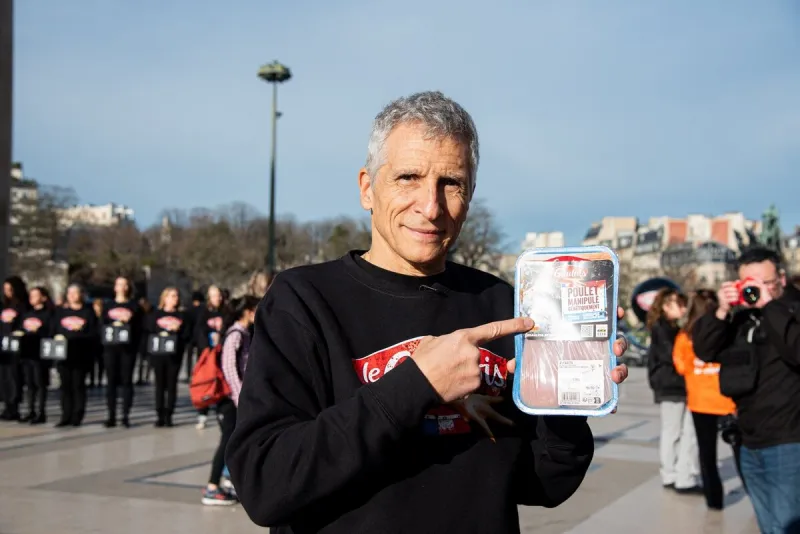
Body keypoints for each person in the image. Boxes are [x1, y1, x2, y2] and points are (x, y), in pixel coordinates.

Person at [225, 91, 630, 533]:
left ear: (469, 196)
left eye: (451, 183)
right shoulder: (303, 299)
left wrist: (565, 406)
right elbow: (265, 484)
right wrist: (417, 384)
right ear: (367, 188)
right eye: (409, 177)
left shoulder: (502, 304)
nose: (431, 206)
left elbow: (542, 484)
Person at [693, 247, 800, 533]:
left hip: (789, 441)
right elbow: (704, 350)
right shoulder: (741, 317)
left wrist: (769, 305)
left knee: (787, 525)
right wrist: (721, 310)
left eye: (764, 283)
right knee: (768, 525)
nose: (755, 290)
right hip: (748, 441)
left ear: (782, 279)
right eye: (748, 284)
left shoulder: (792, 309)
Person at [673, 289, 742, 510]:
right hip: (727, 399)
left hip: (700, 400)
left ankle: (714, 501)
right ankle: (754, 490)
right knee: (740, 451)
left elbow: (681, 366)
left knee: (707, 454)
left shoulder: (684, 336)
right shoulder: (726, 330)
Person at [201, 295, 259, 506]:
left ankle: (229, 480)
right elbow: (229, 369)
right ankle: (212, 487)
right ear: (248, 311)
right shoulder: (235, 334)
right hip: (230, 400)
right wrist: (240, 397)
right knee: (227, 442)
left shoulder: (246, 333)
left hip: (238, 398)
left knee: (236, 441)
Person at [645, 287, 700, 493]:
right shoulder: (662, 328)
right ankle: (671, 473)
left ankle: (676, 473)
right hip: (670, 384)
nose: (684, 309)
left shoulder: (669, 327)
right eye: (680, 304)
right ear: (666, 306)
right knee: (673, 431)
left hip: (674, 384)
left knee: (676, 431)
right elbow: (672, 355)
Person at [53, 284, 98, 427]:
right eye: (70, 293)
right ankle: (65, 415)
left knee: (78, 385)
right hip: (63, 354)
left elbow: (94, 332)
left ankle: (77, 415)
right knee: (65, 386)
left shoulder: (88, 312)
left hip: (80, 354)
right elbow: (54, 329)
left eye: (75, 293)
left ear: (81, 295)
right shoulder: (61, 312)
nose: (72, 296)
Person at [146, 287, 190, 427]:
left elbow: (187, 335)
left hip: (174, 355)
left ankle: (169, 414)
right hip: (159, 354)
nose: (175, 298)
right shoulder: (155, 314)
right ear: (164, 298)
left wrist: (178, 330)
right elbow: (149, 330)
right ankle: (159, 414)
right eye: (172, 296)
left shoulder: (181, 315)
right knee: (159, 385)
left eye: (176, 296)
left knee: (171, 385)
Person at [102, 276, 142, 428]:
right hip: (111, 348)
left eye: (125, 285)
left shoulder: (134, 306)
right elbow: (102, 325)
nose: (122, 287)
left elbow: (140, 328)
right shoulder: (108, 305)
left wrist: (130, 321)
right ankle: (111, 415)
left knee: (127, 381)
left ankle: (125, 415)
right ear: (115, 287)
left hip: (127, 349)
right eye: (119, 284)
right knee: (111, 381)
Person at [19, 286, 55, 424]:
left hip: (40, 353)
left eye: (35, 295)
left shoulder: (49, 314)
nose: (32, 298)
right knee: (29, 383)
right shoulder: (27, 314)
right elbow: (21, 329)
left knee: (40, 383)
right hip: (27, 352)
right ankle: (30, 410)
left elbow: (51, 332)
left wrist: (38, 331)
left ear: (43, 297)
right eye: (31, 295)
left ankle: (41, 412)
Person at [194, 285, 224, 429]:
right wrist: (206, 347)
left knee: (221, 383)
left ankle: (221, 411)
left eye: (219, 295)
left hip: (222, 353)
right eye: (214, 295)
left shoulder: (225, 312)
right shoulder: (203, 313)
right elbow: (199, 331)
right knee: (206, 382)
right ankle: (202, 414)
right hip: (208, 354)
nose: (218, 298)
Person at [0, 276, 29, 421]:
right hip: (3, 344)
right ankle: (7, 405)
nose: (7, 292)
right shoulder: (4, 306)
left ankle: (14, 406)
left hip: (16, 345)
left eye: (10, 289)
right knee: (4, 376)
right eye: (5, 289)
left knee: (14, 375)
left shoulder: (23, 306)